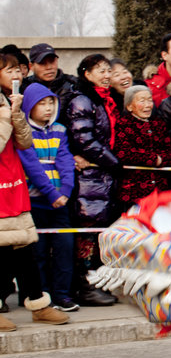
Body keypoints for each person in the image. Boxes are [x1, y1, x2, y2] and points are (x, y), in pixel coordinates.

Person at [0, 65, 69, 331]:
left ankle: (39, 304)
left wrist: (15, 112)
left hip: (13, 183)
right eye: (9, 71)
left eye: (18, 70)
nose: (16, 76)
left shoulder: (8, 103)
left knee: (24, 248)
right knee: (3, 253)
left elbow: (24, 141)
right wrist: (8, 114)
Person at [63, 54, 121, 307]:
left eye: (108, 70)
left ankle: (95, 283)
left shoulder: (105, 101)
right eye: (100, 70)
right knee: (87, 233)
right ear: (86, 74)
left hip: (102, 178)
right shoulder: (82, 100)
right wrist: (114, 161)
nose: (106, 75)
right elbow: (84, 139)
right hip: (88, 178)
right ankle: (84, 286)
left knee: (99, 234)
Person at [16, 81, 79, 312]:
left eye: (50, 103)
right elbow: (31, 166)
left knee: (64, 248)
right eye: (41, 104)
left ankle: (63, 295)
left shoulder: (60, 130)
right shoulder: (23, 132)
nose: (48, 108)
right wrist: (52, 193)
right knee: (38, 252)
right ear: (30, 106)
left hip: (60, 201)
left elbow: (65, 161)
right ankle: (42, 297)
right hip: (35, 200)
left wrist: (65, 192)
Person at [113, 86, 171, 209]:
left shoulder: (158, 124)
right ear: (129, 106)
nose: (148, 105)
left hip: (159, 189)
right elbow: (123, 152)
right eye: (142, 101)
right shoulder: (123, 124)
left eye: (150, 100)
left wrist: (162, 159)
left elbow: (170, 151)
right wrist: (153, 159)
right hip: (133, 190)